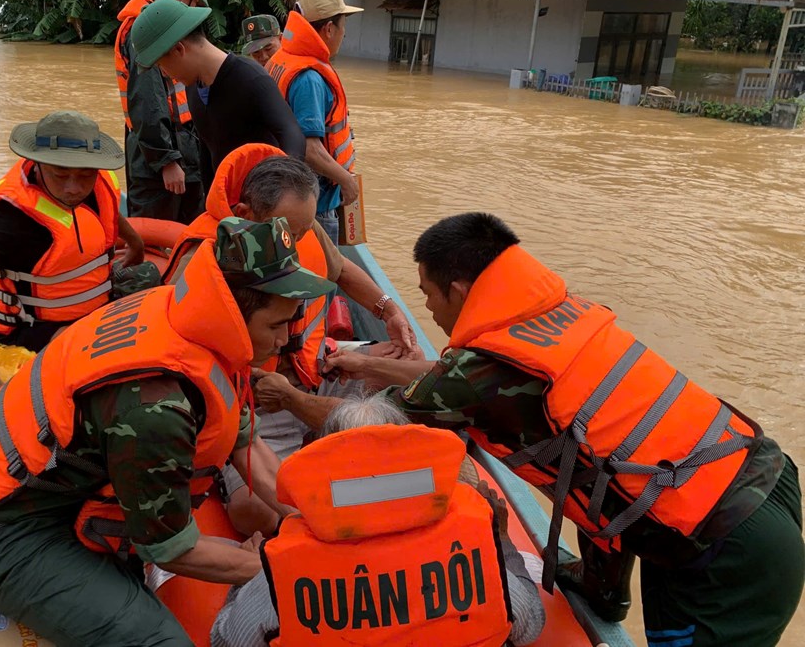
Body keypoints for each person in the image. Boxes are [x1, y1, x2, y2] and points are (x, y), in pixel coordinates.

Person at [336, 212, 804, 647]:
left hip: (730, 550)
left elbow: (383, 421)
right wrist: (602, 592)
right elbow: (605, 479)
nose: (427, 307)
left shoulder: (480, 374)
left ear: (458, 292)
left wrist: (291, 397)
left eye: (427, 294)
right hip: (756, 479)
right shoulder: (564, 315)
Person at [0, 217, 337, 647]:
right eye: (276, 327)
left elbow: (250, 448)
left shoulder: (187, 316)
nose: (286, 340)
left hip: (50, 487)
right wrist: (285, 568)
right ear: (234, 315)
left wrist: (312, 525)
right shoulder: (157, 406)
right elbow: (171, 549)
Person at [163, 144, 418, 535]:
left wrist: (390, 312)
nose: (295, 244)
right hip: (259, 403)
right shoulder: (204, 264)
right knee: (256, 510)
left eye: (302, 231)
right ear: (246, 215)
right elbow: (189, 362)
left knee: (416, 374)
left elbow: (340, 269)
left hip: (318, 369)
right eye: (287, 232)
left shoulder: (302, 226)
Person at [210, 395, 546, 647]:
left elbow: (226, 640)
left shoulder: (285, 570)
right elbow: (529, 624)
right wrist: (501, 540)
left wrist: (251, 573)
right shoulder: (472, 546)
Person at [0, 111, 146, 423]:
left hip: (91, 302)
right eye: (60, 174)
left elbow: (105, 210)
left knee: (151, 281)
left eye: (84, 176)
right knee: (118, 389)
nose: (73, 188)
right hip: (33, 330)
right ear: (37, 164)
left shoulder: (98, 179)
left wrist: (135, 242)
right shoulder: (10, 220)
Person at [129, 0, 306, 187]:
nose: (164, 73)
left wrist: (277, 194)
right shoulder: (194, 88)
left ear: (179, 49)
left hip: (263, 200)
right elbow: (207, 150)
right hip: (227, 204)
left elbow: (292, 135)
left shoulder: (251, 78)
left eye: (161, 65)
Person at [266, 0, 362, 241]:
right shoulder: (310, 78)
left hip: (284, 191)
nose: (345, 34)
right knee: (321, 273)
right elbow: (309, 149)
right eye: (344, 26)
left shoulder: (283, 59)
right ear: (329, 29)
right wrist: (346, 180)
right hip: (313, 206)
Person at [115, 0, 208, 223]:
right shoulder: (146, 28)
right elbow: (147, 99)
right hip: (156, 160)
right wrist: (166, 161)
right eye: (196, 6)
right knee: (155, 240)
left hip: (182, 151)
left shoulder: (164, 28)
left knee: (189, 235)